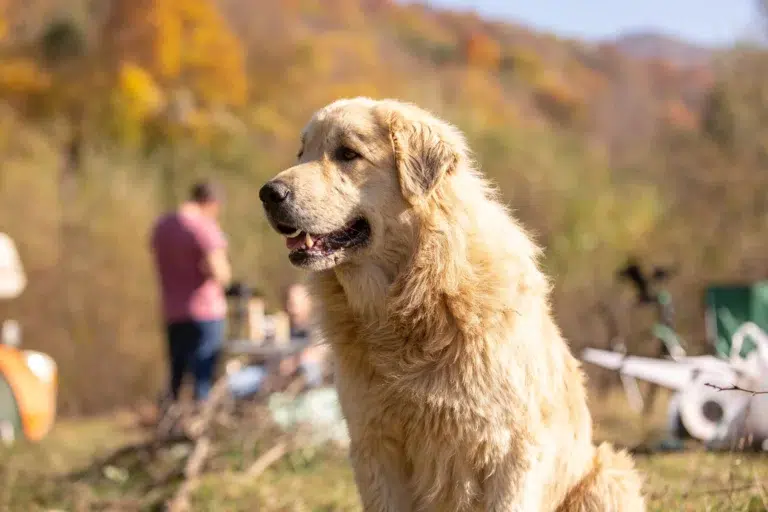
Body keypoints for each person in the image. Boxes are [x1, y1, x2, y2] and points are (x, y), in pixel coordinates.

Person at [150, 180, 231, 403]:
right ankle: (198, 430)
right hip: (205, 312)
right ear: (212, 204)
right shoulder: (203, 226)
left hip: (173, 311)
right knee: (202, 378)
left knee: (177, 375)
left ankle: (170, 424)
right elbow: (220, 272)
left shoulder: (162, 226)